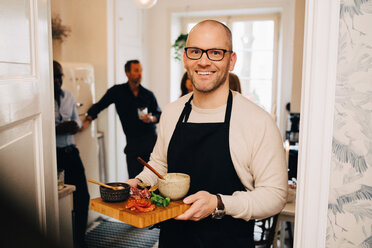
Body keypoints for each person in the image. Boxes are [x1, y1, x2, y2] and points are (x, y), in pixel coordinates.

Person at [126, 20, 288, 247]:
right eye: (195, 52)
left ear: (231, 61)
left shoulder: (257, 121)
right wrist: (140, 182)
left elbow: (275, 196)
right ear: (185, 59)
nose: (203, 61)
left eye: (215, 53)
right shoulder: (172, 112)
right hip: (173, 241)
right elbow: (160, 166)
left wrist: (219, 203)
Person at [82, 60, 161, 179]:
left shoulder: (148, 94)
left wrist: (151, 118)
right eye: (136, 70)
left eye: (140, 70)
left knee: (154, 181)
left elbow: (159, 114)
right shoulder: (117, 91)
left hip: (151, 145)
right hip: (133, 145)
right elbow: (99, 105)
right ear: (127, 73)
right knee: (135, 182)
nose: (140, 73)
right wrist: (88, 119)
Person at [54, 60, 90, 248]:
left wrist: (63, 127)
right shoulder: (42, 100)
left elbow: (75, 125)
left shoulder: (68, 96)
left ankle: (80, 239)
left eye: (60, 75)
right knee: (58, 199)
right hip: (54, 157)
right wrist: (60, 128)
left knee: (82, 196)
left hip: (71, 153)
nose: (58, 79)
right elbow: (44, 132)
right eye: (54, 75)